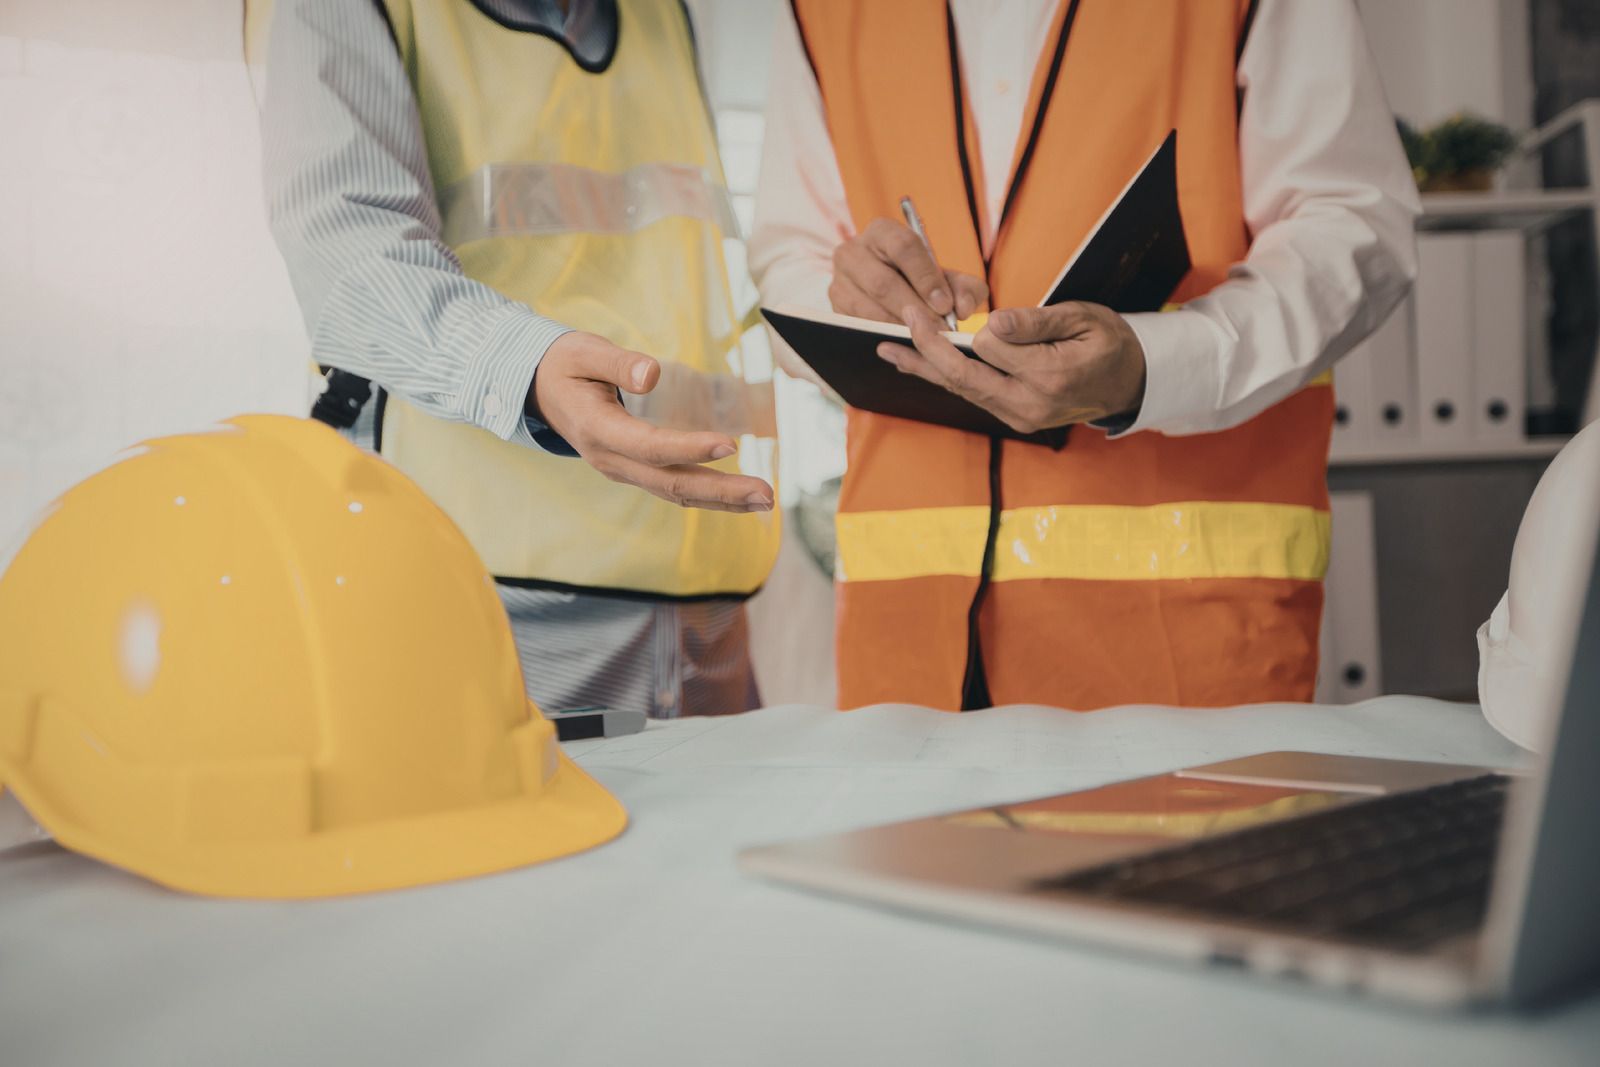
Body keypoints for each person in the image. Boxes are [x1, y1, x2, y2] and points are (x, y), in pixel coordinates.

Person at [750, 0, 1420, 711]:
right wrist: (845, 296)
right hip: (908, 658)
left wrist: (1153, 366)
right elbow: (787, 261)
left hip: (1183, 662)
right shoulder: (819, 12)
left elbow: (1353, 226)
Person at [256, 0, 780, 718]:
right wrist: (530, 368)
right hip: (494, 594)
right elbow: (348, 258)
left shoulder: (663, 13)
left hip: (702, 583)